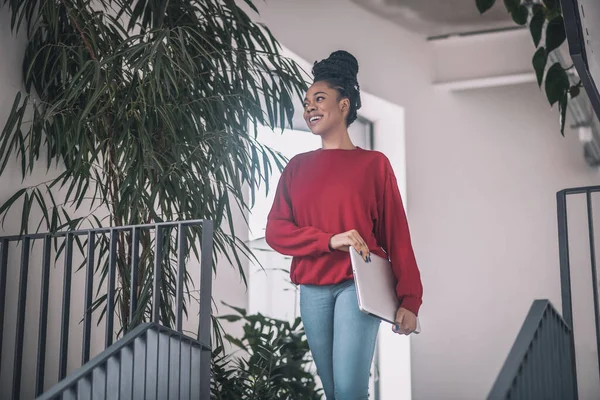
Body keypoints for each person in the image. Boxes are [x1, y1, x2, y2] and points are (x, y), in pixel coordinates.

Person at [265, 50, 423, 400]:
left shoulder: (374, 165)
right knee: (334, 390)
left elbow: (397, 235)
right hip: (311, 289)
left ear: (344, 105)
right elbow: (276, 231)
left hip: (358, 285)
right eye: (306, 103)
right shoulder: (296, 167)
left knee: (351, 390)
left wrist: (410, 300)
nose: (310, 108)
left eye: (319, 99)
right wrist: (329, 240)